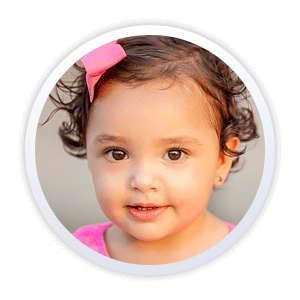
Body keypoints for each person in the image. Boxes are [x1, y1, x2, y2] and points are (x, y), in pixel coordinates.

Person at [43, 36, 259, 265]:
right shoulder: (81, 246)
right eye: (117, 153)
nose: (143, 181)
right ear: (88, 151)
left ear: (222, 160)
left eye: (174, 154)